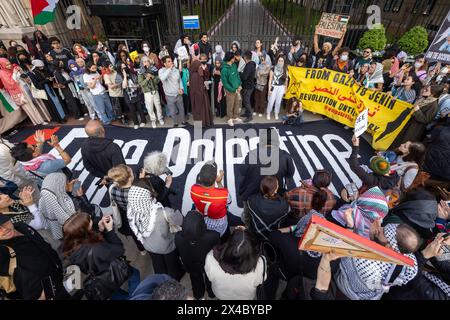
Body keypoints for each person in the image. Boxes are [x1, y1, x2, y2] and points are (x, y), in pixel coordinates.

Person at [62, 212, 140, 300]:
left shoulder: (72, 249)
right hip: (114, 269)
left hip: (101, 279)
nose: (91, 218)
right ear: (84, 229)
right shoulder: (96, 249)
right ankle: (136, 297)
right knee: (134, 275)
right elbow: (119, 250)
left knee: (113, 292)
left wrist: (100, 230)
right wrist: (110, 230)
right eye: (89, 220)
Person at [335, 223, 420, 300]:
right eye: (384, 227)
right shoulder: (410, 261)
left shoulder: (365, 263)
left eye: (382, 232)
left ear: (389, 247)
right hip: (371, 294)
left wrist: (351, 227)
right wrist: (374, 238)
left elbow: (345, 246)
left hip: (347, 290)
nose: (380, 228)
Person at [0, 214, 69, 300]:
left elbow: (43, 244)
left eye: (4, 223)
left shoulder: (22, 226)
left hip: (56, 276)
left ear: (8, 219)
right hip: (43, 293)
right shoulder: (3, 250)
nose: (4, 229)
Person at [127, 178, 184, 280]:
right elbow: (179, 222)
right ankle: (174, 278)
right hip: (167, 246)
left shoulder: (131, 210)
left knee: (157, 264)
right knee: (173, 266)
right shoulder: (164, 212)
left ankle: (161, 278)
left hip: (149, 246)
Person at [204, 228, 266, 300]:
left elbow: (209, 277)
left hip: (221, 294)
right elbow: (260, 281)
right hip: (245, 297)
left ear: (228, 243)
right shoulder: (260, 263)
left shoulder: (211, 257)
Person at [239, 128, 295, 202]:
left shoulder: (251, 154)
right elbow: (290, 175)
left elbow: (242, 171)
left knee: (249, 212)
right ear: (276, 140)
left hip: (252, 195)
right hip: (275, 195)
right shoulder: (286, 156)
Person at [175, 211, 220, 300]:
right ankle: (211, 293)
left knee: (195, 278)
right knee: (209, 278)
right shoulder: (213, 235)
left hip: (190, 264)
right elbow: (217, 250)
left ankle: (198, 295)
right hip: (208, 263)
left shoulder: (178, 237)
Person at [107, 164, 146, 253]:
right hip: (140, 216)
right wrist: (143, 180)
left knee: (135, 235)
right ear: (129, 178)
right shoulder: (138, 191)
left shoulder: (112, 189)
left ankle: (142, 250)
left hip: (126, 216)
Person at [391, 85, 444, 149]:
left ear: (433, 94)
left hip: (413, 129)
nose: (424, 90)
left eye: (427, 90)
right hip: (408, 124)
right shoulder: (423, 98)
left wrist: (417, 111)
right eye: (425, 89)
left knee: (402, 143)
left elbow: (426, 120)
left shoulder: (434, 106)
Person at [242, 175, 289, 241]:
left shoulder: (251, 199)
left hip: (256, 233)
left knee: (243, 215)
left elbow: (247, 215)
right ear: (275, 190)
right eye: (277, 185)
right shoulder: (284, 205)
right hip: (273, 235)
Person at [191, 161, 230, 237]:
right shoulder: (223, 194)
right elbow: (228, 202)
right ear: (216, 178)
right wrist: (219, 183)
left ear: (199, 178)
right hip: (220, 226)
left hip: (203, 222)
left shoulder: (193, 189)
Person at [38, 173, 78, 241]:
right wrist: (76, 191)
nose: (68, 182)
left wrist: (69, 190)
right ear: (59, 187)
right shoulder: (67, 209)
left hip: (63, 234)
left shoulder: (44, 201)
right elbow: (82, 214)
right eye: (66, 182)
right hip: (77, 231)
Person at [83, 61, 115, 125]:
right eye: (93, 68)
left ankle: (112, 118)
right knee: (102, 109)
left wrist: (100, 78)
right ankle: (106, 121)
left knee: (109, 107)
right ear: (89, 68)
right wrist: (95, 79)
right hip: (96, 94)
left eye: (95, 68)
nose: (95, 69)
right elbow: (91, 87)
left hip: (103, 91)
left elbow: (100, 83)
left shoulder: (96, 72)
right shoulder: (85, 75)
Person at [159, 56, 187, 127]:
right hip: (169, 95)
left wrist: (181, 88)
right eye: (168, 61)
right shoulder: (161, 71)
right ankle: (175, 122)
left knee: (181, 108)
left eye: (171, 61)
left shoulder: (176, 70)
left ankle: (183, 120)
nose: (171, 62)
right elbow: (162, 78)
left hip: (178, 94)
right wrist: (170, 69)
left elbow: (179, 80)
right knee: (172, 111)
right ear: (164, 64)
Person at [119, 61, 146, 129]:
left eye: (124, 67)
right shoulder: (119, 77)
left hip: (136, 94)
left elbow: (137, 83)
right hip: (128, 97)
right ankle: (136, 123)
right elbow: (124, 86)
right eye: (122, 68)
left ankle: (143, 121)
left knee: (140, 108)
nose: (124, 69)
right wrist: (125, 76)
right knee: (132, 110)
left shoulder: (132, 74)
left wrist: (136, 86)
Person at [138, 56, 163, 128]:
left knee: (158, 105)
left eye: (148, 61)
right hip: (147, 92)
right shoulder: (140, 72)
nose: (147, 63)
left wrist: (153, 77)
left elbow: (158, 80)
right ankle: (153, 120)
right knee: (150, 107)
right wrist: (147, 78)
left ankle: (160, 118)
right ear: (142, 63)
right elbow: (141, 84)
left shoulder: (154, 69)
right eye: (145, 62)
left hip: (155, 90)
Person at [189, 54, 213, 127]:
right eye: (199, 66)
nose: (200, 67)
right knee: (200, 111)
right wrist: (203, 88)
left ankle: (204, 123)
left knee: (201, 111)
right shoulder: (195, 76)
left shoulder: (195, 74)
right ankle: (202, 124)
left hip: (201, 94)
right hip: (199, 96)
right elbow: (196, 87)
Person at [101, 60, 126, 125]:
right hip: (114, 95)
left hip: (121, 92)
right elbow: (110, 86)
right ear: (106, 68)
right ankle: (121, 119)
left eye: (112, 65)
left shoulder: (115, 71)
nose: (112, 66)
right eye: (110, 66)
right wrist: (119, 83)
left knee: (123, 107)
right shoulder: (106, 75)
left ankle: (124, 117)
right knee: (118, 108)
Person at [221, 52, 242, 127]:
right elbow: (225, 83)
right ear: (230, 59)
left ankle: (235, 117)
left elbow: (237, 75)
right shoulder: (224, 69)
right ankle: (229, 119)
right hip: (230, 90)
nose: (235, 58)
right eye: (233, 57)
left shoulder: (234, 65)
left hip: (237, 88)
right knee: (230, 104)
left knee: (236, 103)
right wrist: (233, 90)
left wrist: (239, 85)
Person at [266, 54, 288, 120]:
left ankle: (276, 113)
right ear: (277, 61)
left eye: (282, 61)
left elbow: (286, 80)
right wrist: (269, 90)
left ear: (284, 62)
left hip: (281, 87)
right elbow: (270, 80)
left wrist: (285, 89)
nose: (280, 62)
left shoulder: (285, 69)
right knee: (271, 101)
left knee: (278, 102)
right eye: (279, 60)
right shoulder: (273, 68)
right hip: (273, 86)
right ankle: (268, 113)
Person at [240, 51, 256, 123]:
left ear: (245, 57)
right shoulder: (251, 64)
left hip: (248, 86)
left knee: (246, 101)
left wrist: (240, 74)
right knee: (246, 100)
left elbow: (244, 77)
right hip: (249, 85)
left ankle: (249, 116)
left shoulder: (249, 65)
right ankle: (247, 113)